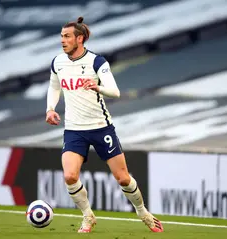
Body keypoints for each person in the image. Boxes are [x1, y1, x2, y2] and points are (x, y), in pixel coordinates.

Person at [45, 16, 164, 233]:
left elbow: (115, 92)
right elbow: (54, 87)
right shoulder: (57, 62)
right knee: (70, 176)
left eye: (67, 36)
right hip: (74, 130)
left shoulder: (96, 62)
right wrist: (50, 108)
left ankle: (142, 211)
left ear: (79, 39)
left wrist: (97, 87)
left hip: (101, 127)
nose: (62, 40)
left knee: (123, 178)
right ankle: (87, 216)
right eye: (61, 36)